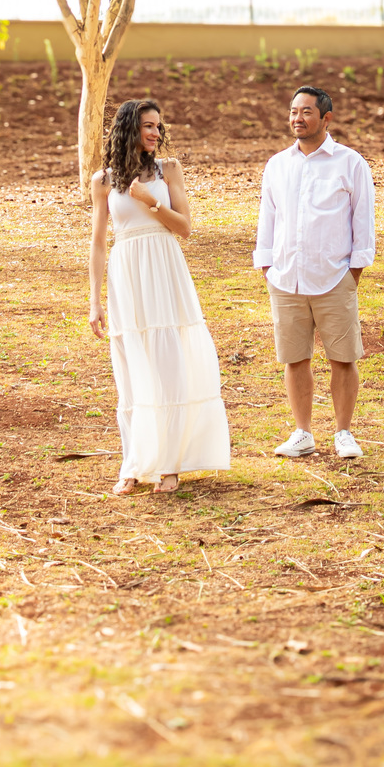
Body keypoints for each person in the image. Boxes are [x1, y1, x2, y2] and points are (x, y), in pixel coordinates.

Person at [89, 97, 230, 496]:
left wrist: (150, 202)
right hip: (126, 272)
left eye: (157, 127)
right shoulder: (103, 180)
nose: (155, 133)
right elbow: (99, 243)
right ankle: (133, 463)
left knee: (169, 365)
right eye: (148, 126)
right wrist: (95, 300)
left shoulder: (168, 170)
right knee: (131, 369)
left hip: (164, 268)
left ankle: (170, 465)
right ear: (128, 129)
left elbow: (184, 227)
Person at [254, 84, 375, 460]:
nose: (297, 118)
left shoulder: (350, 163)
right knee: (294, 358)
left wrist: (351, 272)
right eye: (293, 111)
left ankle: (343, 433)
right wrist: (268, 265)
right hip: (286, 278)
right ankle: (302, 434)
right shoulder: (277, 164)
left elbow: (363, 220)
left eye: (306, 112)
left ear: (326, 118)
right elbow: (268, 218)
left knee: (343, 357)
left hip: (333, 277)